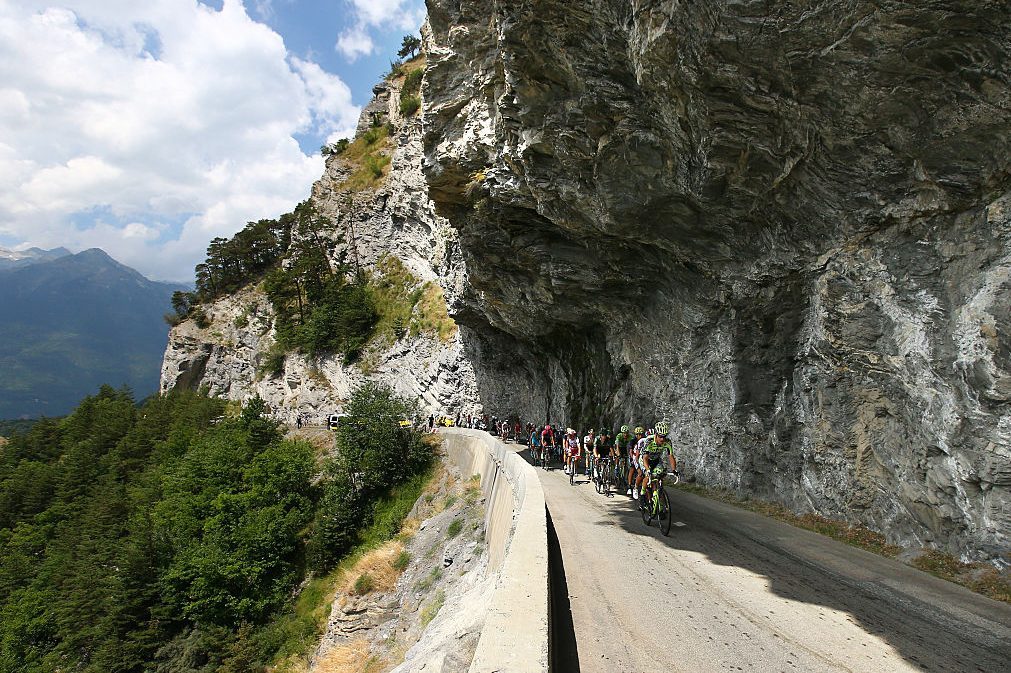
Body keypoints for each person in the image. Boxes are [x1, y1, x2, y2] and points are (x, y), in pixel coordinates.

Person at [638, 421, 678, 506]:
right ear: (656, 434)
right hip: (645, 460)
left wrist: (674, 470)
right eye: (660, 436)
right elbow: (645, 458)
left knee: (659, 475)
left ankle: (658, 497)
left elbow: (671, 456)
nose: (662, 439)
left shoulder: (667, 442)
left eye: (664, 436)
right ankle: (642, 493)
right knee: (648, 475)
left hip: (656, 460)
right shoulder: (649, 440)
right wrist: (648, 470)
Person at [628, 426, 646, 497]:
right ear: (636, 435)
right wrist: (633, 459)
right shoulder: (633, 441)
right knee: (632, 469)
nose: (640, 436)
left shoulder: (644, 440)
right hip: (634, 456)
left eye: (641, 434)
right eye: (638, 434)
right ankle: (629, 486)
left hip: (641, 457)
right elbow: (630, 451)